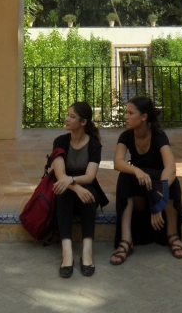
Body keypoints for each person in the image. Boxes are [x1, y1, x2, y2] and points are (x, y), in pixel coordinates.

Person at [110, 95, 182, 264]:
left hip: (157, 183)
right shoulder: (126, 136)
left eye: (130, 113)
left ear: (144, 117)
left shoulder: (159, 136)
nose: (126, 117)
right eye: (126, 113)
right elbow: (118, 162)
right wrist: (136, 170)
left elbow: (170, 167)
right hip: (141, 183)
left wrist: (158, 199)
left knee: (172, 181)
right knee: (124, 178)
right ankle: (126, 240)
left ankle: (172, 234)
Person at [51, 102, 108, 278]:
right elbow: (60, 175)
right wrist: (75, 187)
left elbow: (90, 176)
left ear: (83, 122)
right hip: (67, 191)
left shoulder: (94, 145)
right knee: (63, 192)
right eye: (67, 115)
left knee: (88, 192)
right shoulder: (60, 141)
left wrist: (73, 180)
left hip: (86, 189)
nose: (67, 119)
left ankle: (87, 250)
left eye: (72, 116)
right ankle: (67, 251)